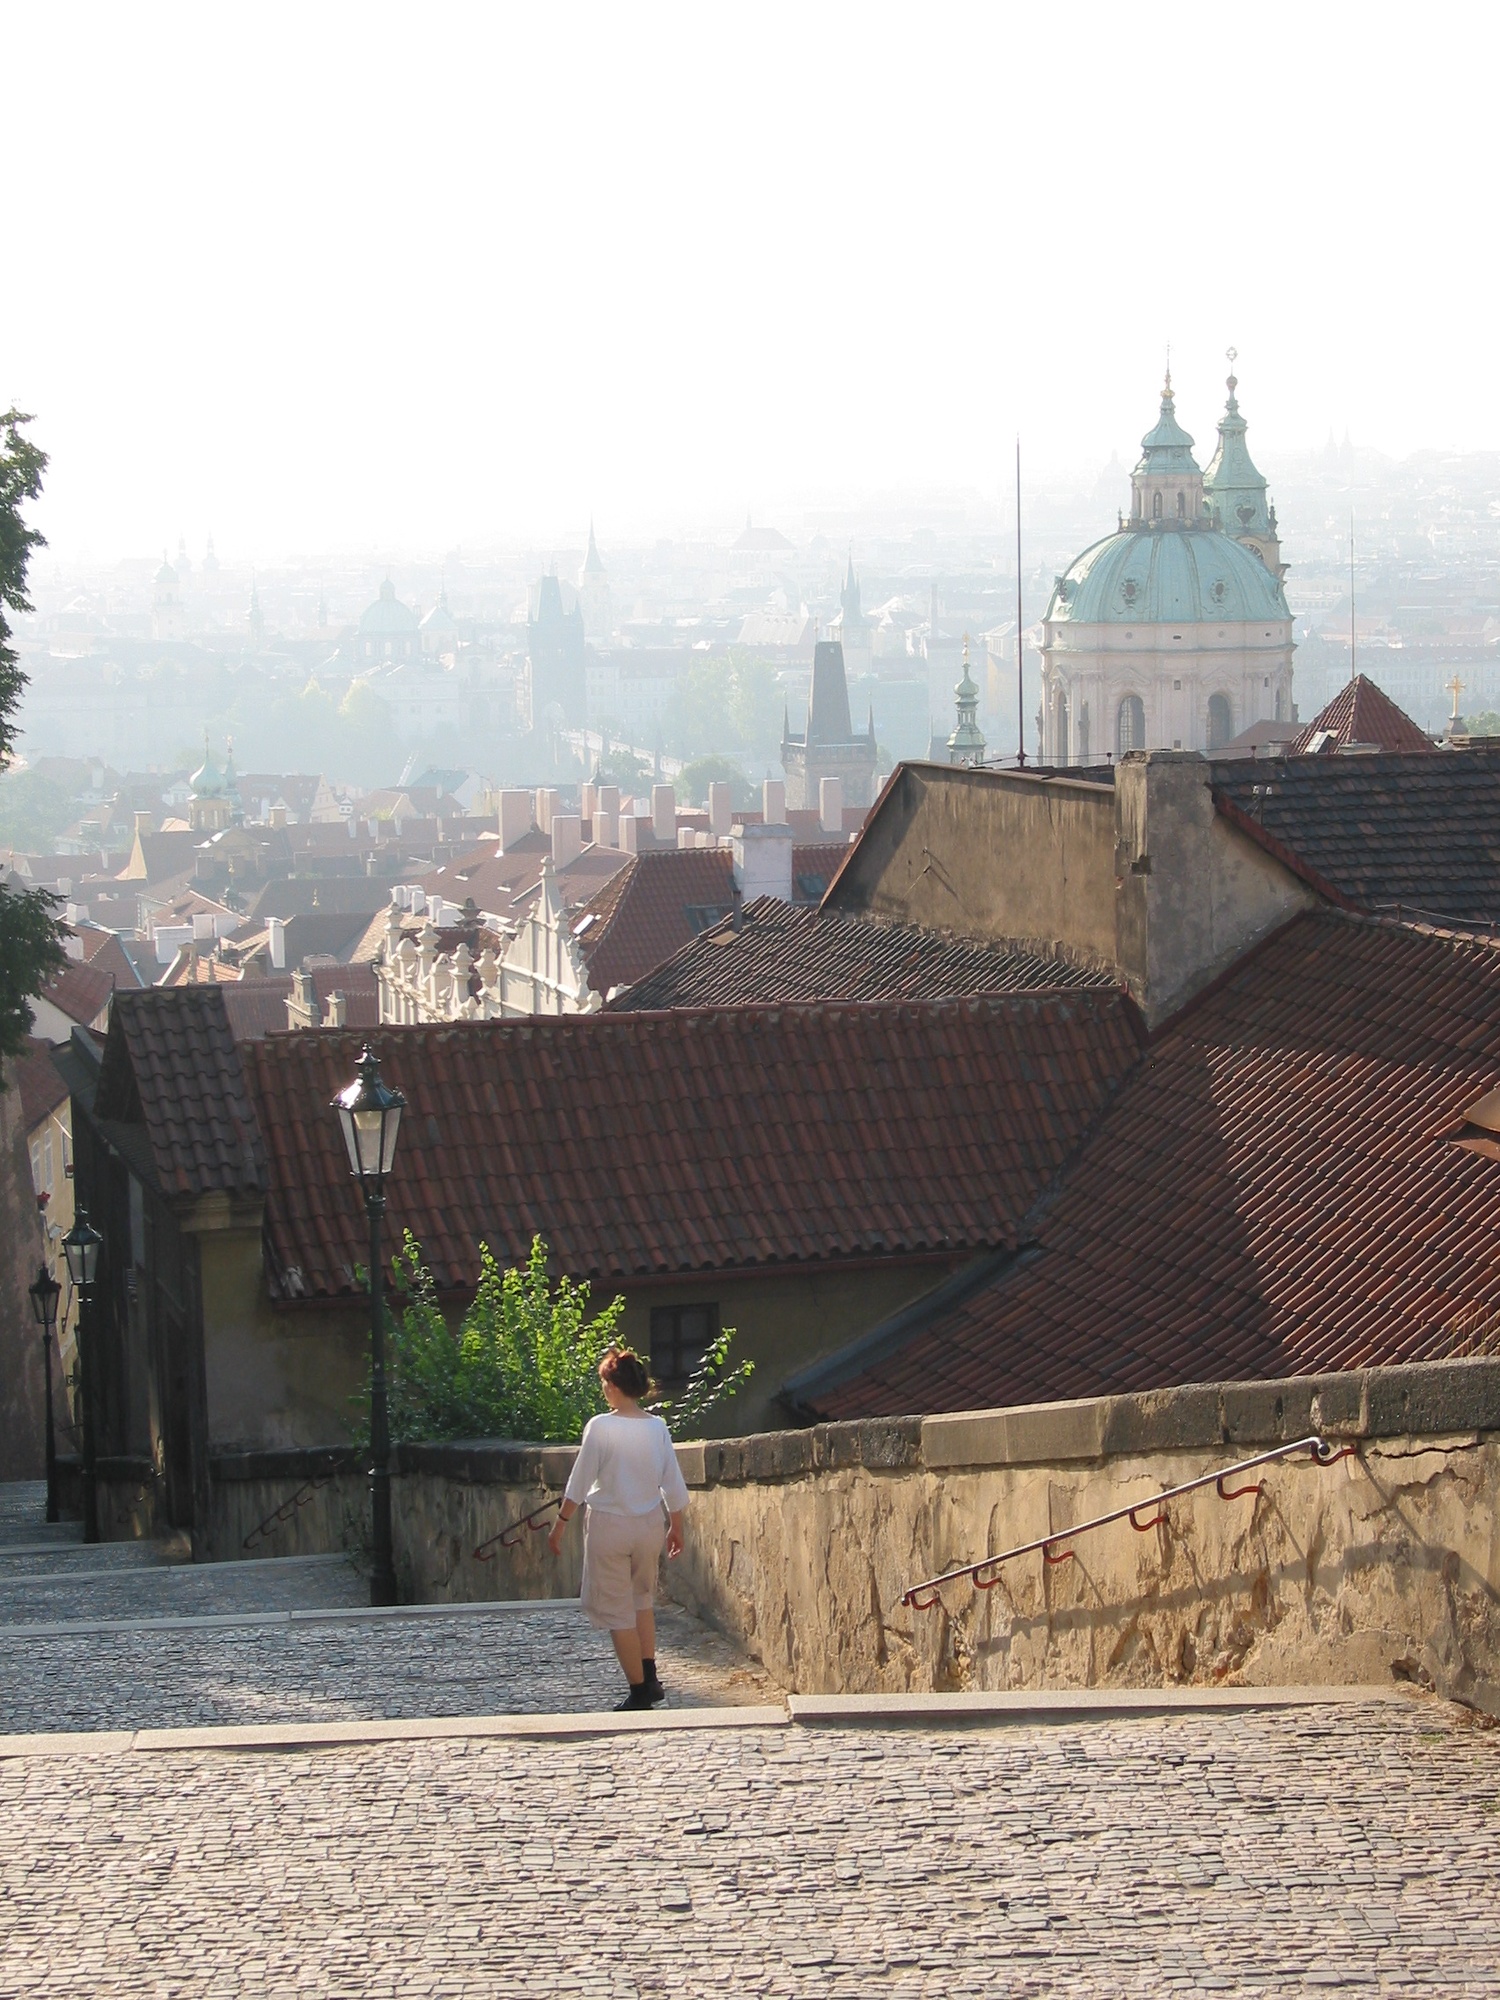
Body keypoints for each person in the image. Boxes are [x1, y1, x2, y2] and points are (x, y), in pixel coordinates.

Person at [548, 1345, 689, 1710]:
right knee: (642, 1599)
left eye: (604, 1383)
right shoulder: (657, 1427)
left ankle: (638, 1691)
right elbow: (672, 1481)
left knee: (615, 1609)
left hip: (610, 1525)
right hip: (649, 1525)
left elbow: (580, 1482)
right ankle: (650, 1675)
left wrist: (560, 1524)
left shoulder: (601, 1426)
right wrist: (676, 1526)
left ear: (612, 1385)